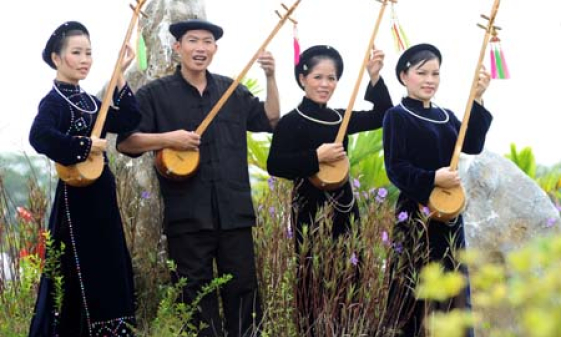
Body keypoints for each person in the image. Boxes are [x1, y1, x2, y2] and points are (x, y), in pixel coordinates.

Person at [116, 19, 280, 337]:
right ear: (178, 47)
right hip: (187, 216)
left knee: (244, 292)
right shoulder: (154, 94)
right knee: (195, 297)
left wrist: (271, 76)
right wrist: (168, 139)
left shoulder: (231, 90)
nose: (200, 48)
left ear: (215, 49)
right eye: (193, 41)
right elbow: (127, 142)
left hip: (235, 213)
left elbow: (270, 118)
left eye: (207, 42)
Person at [266, 44, 393, 335]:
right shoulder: (291, 121)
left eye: (332, 78)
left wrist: (374, 77)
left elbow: (383, 115)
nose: (325, 85)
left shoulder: (340, 118)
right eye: (318, 77)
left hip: (345, 209)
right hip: (309, 213)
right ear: (302, 78)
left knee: (351, 276)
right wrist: (316, 157)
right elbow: (275, 165)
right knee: (311, 279)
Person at [28, 21, 139, 336]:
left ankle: (113, 329)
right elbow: (39, 136)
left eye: (89, 53)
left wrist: (120, 77)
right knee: (81, 269)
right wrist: (85, 145)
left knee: (111, 264)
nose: (85, 59)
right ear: (56, 58)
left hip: (102, 195)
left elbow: (130, 118)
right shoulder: (54, 102)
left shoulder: (92, 101)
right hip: (76, 202)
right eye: (76, 52)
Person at [382, 43, 493, 336]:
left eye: (435, 73)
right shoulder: (397, 116)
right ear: (404, 76)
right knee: (413, 290)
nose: (430, 79)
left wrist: (478, 98)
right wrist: (433, 177)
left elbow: (472, 144)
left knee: (454, 292)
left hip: (450, 218)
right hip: (416, 218)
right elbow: (396, 168)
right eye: (422, 73)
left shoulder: (445, 116)